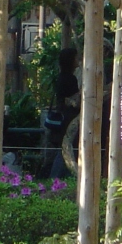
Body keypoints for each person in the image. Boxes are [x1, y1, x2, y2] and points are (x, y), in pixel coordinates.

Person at [42, 47, 80, 180]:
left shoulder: (60, 77)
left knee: (62, 148)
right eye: (76, 57)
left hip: (62, 117)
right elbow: (74, 100)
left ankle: (57, 177)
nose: (78, 60)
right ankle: (55, 178)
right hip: (67, 119)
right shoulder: (70, 79)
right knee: (66, 147)